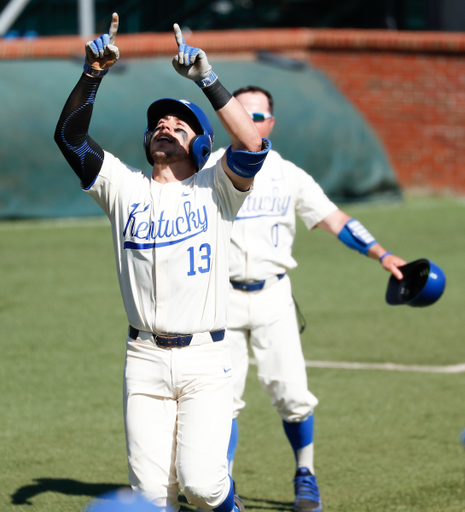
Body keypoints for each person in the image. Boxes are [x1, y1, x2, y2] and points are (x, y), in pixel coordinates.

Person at [54, 16, 270, 512]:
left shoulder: (217, 187)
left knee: (204, 487)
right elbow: (69, 138)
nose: (165, 127)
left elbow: (252, 144)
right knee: (150, 498)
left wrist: (206, 78)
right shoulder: (123, 187)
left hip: (204, 360)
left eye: (179, 124)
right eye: (159, 124)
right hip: (144, 359)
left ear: (200, 144)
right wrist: (92, 73)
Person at [206, 85, 406, 512]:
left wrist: (383, 254)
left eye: (258, 117)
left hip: (274, 296)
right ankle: (221, 488)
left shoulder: (287, 174)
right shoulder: (207, 168)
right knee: (221, 401)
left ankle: (305, 473)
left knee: (293, 395)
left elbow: (335, 219)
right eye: (242, 114)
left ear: (271, 124)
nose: (250, 123)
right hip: (218, 300)